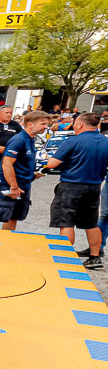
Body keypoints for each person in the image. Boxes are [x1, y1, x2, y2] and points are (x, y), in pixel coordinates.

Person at [46, 112, 108, 269]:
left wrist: (49, 159)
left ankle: (64, 257)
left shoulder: (73, 141)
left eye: (75, 123)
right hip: (94, 186)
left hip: (71, 185)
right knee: (91, 223)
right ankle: (95, 257)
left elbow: (52, 163)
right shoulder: (105, 141)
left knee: (66, 222)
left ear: (80, 124)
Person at [0, 110, 51, 231]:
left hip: (22, 184)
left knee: (13, 216)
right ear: (30, 124)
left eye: (47, 124)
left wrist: (31, 174)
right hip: (9, 184)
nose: (46, 127)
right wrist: (13, 186)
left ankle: (7, 240)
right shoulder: (19, 140)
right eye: (43, 123)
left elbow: (20, 162)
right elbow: (7, 164)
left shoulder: (30, 139)